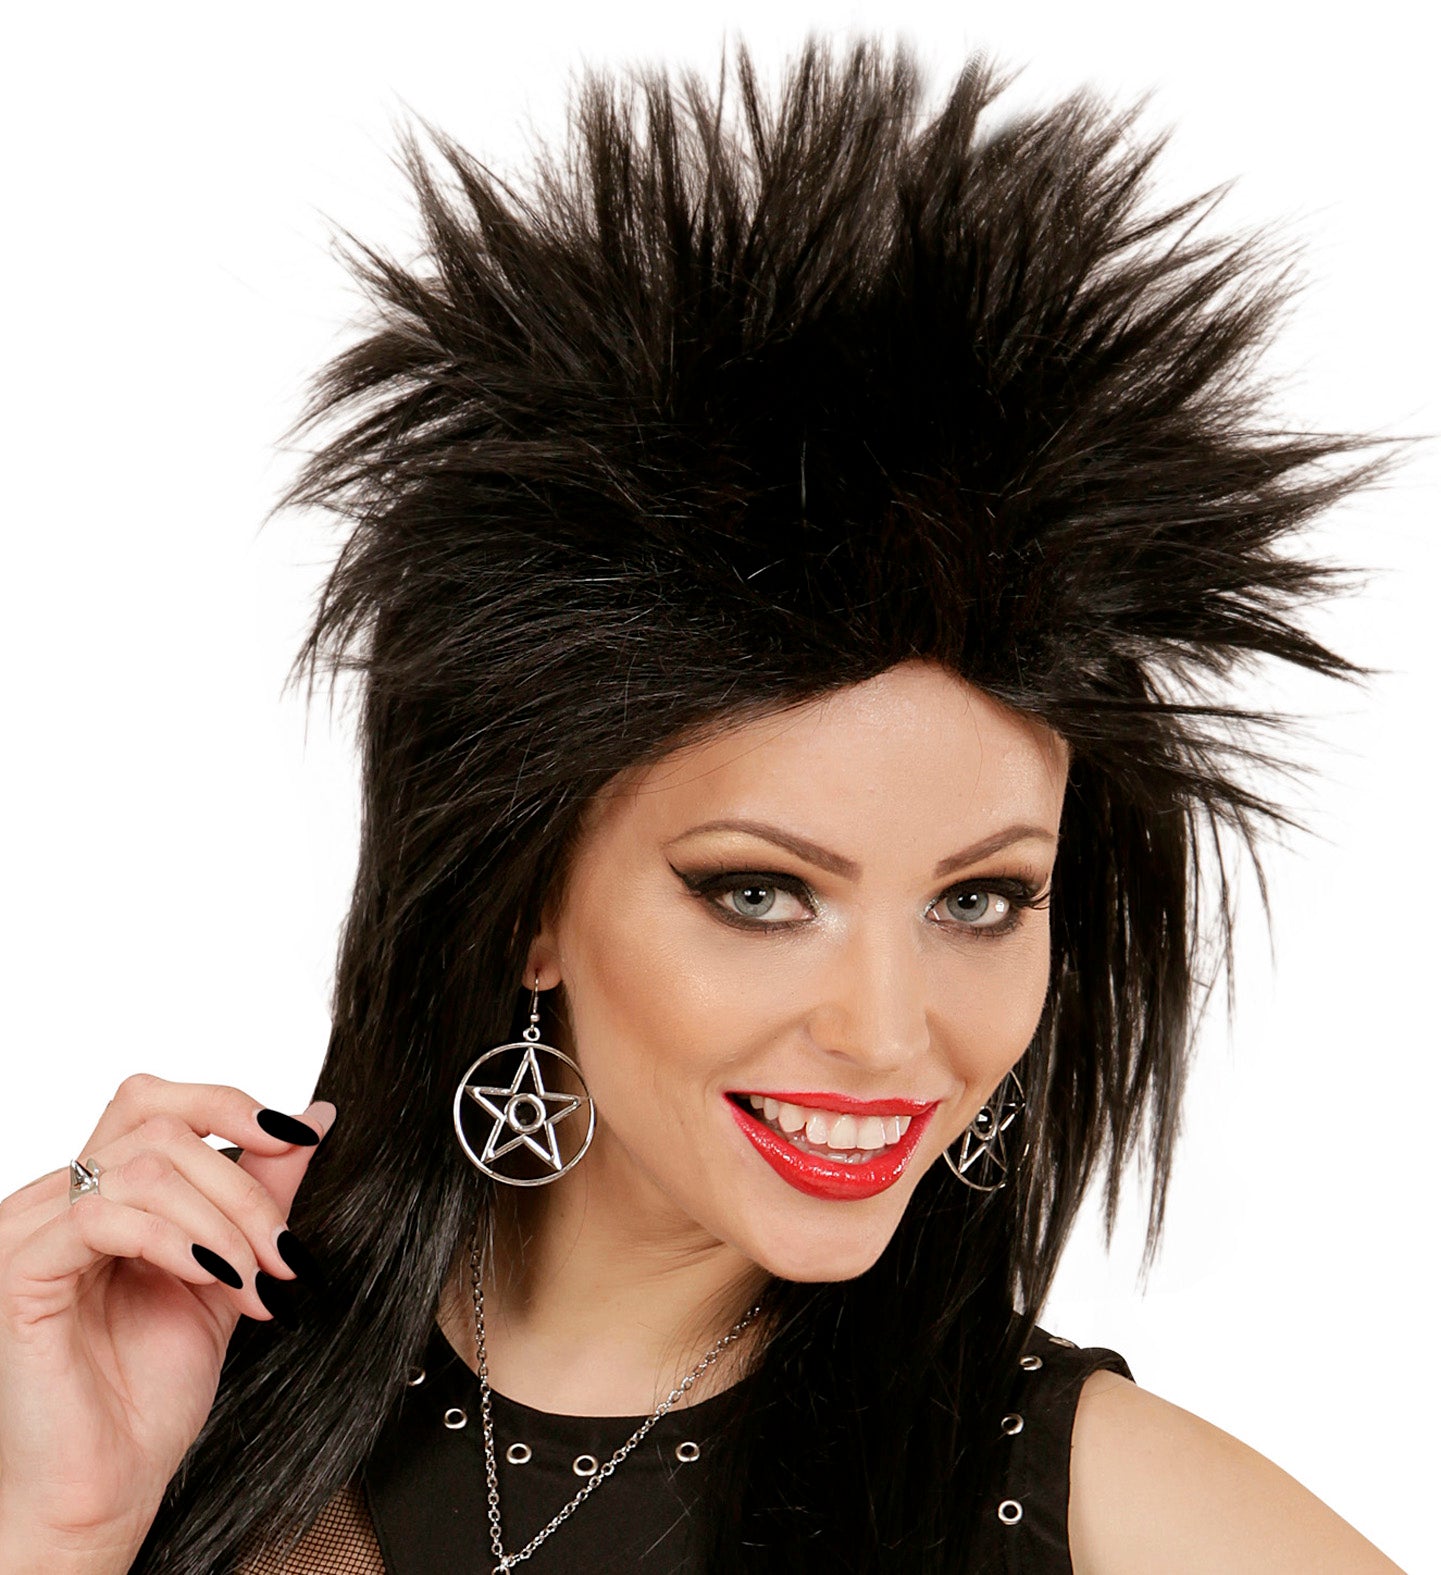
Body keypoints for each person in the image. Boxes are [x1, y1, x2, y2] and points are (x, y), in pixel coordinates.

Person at [0, 35, 1408, 1575]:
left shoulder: (1116, 1516)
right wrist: (61, 1530)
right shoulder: (151, 1391)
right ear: (528, 901)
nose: (886, 1030)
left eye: (977, 899)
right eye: (759, 892)